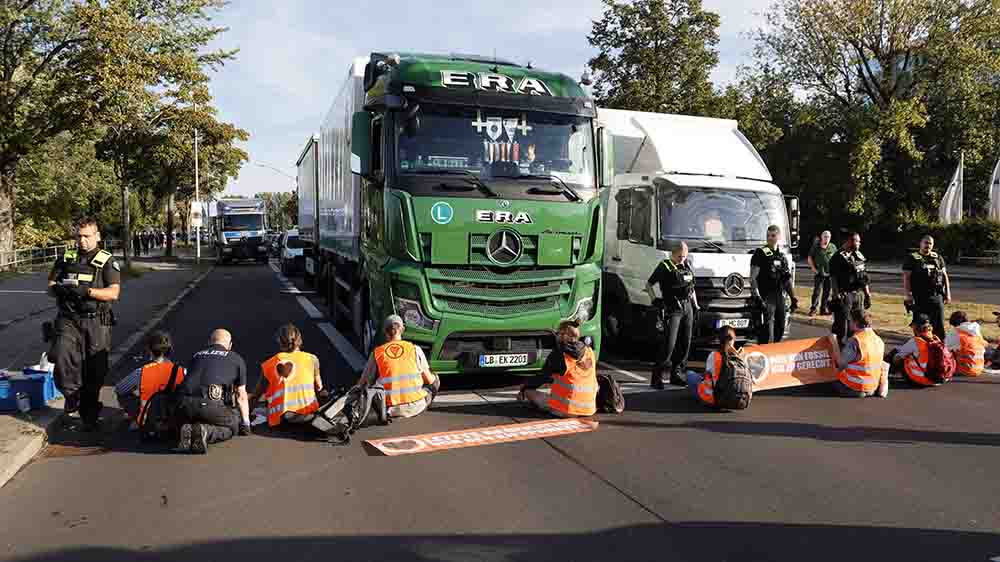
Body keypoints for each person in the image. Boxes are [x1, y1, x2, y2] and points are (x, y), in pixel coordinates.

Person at [47, 216, 121, 431]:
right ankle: (71, 396)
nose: (82, 241)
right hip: (68, 319)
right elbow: (50, 285)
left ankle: (89, 414)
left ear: (97, 236)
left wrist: (88, 291)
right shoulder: (66, 258)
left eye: (87, 236)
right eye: (78, 236)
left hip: (96, 321)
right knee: (61, 355)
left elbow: (114, 293)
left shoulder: (106, 261)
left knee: (95, 371)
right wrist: (57, 288)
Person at [173, 329, 250, 453]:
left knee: (196, 414)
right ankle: (206, 431)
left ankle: (189, 428)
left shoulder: (196, 355)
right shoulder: (236, 359)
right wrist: (246, 423)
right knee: (233, 425)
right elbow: (241, 395)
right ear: (230, 345)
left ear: (209, 342)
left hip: (185, 404)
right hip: (211, 404)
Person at [356, 315, 440, 419]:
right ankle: (420, 404)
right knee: (435, 379)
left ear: (385, 332)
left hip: (388, 408)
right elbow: (429, 380)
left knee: (372, 383)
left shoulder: (377, 353)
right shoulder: (414, 349)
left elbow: (363, 383)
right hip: (416, 406)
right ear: (402, 329)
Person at [645, 241, 699, 388]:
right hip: (673, 308)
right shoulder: (665, 266)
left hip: (687, 307)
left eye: (685, 256)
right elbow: (648, 284)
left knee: (685, 343)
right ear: (673, 253)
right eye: (680, 256)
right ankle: (657, 377)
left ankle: (677, 374)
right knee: (669, 344)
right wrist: (654, 299)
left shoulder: (686, 266)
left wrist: (696, 305)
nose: (683, 259)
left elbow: (691, 287)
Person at [253, 324, 328, 428]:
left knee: (261, 406)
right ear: (299, 340)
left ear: (280, 342)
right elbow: (319, 387)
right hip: (310, 414)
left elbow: (257, 394)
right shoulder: (312, 359)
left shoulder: (270, 363)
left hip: (282, 418)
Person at [518, 320, 598, 417]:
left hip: (566, 410)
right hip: (589, 409)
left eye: (559, 333)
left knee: (529, 392)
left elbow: (541, 378)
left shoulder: (559, 354)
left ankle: (557, 407)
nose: (557, 336)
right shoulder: (589, 351)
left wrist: (524, 387)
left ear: (564, 335)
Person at [114, 331, 185, 425]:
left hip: (148, 419)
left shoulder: (141, 371)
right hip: (173, 419)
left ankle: (137, 415)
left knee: (123, 394)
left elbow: (119, 389)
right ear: (170, 350)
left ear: (150, 351)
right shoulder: (182, 371)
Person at [750, 224, 797, 345]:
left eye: (773, 235)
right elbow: (753, 277)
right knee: (767, 329)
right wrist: (757, 296)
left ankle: (774, 351)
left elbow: (787, 280)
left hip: (779, 296)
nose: (770, 238)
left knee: (780, 326)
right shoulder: (760, 253)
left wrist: (793, 298)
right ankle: (764, 351)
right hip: (766, 295)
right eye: (768, 236)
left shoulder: (781, 257)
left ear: (779, 237)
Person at [828, 309, 888, 398]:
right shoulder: (878, 340)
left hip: (853, 387)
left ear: (855, 323)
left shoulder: (855, 341)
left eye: (850, 321)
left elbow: (840, 363)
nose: (849, 323)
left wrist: (834, 342)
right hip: (872, 388)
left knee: (829, 379)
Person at [903, 234, 951, 341]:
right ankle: (921, 349)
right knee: (920, 326)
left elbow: (944, 276)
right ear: (920, 243)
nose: (927, 245)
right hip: (919, 297)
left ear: (933, 245)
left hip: (936, 297)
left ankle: (940, 349)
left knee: (939, 326)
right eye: (925, 242)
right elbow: (906, 277)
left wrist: (948, 293)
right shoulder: (912, 258)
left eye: (930, 243)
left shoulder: (938, 258)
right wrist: (907, 294)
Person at [829, 232, 871, 347]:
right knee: (842, 326)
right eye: (856, 241)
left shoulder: (858, 255)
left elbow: (864, 277)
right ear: (848, 241)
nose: (859, 243)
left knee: (859, 324)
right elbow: (833, 278)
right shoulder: (837, 257)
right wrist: (836, 295)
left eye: (859, 241)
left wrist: (867, 294)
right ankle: (838, 350)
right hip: (844, 295)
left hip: (858, 295)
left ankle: (855, 349)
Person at [686, 325, 741, 407]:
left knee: (689, 374)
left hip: (714, 398)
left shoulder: (714, 355)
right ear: (733, 339)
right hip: (736, 398)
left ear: (719, 340)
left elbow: (707, 375)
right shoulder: (740, 357)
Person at [889, 314, 945, 388]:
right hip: (937, 379)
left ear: (915, 327)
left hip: (920, 379)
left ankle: (885, 374)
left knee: (897, 354)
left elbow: (897, 358)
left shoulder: (915, 342)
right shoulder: (936, 339)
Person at [944, 310, 987, 377]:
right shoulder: (976, 331)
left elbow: (945, 348)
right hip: (978, 368)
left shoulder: (956, 331)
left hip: (964, 370)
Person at [807, 230, 836, 316]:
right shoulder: (816, 246)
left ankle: (823, 309)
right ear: (821, 237)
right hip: (819, 273)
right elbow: (809, 258)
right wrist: (814, 269)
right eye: (825, 236)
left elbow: (836, 258)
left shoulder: (832, 247)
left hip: (829, 274)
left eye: (828, 237)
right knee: (817, 292)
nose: (827, 238)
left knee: (826, 292)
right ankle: (813, 309)